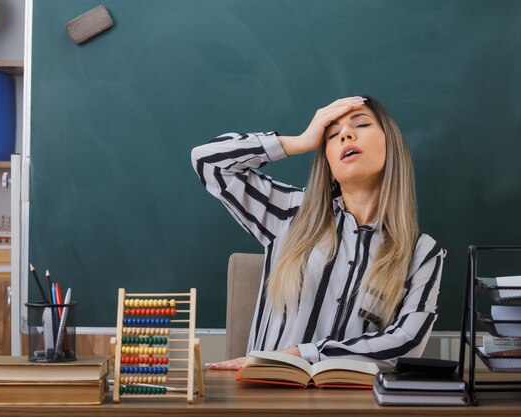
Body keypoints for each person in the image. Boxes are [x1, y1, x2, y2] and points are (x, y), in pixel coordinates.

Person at [191, 96, 446, 370]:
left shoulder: (421, 253)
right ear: (329, 166)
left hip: (356, 407)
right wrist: (301, 141)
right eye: (333, 135)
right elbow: (208, 161)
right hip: (266, 401)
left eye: (361, 124)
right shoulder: (290, 212)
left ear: (391, 145)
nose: (346, 134)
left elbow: (406, 342)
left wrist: (302, 354)